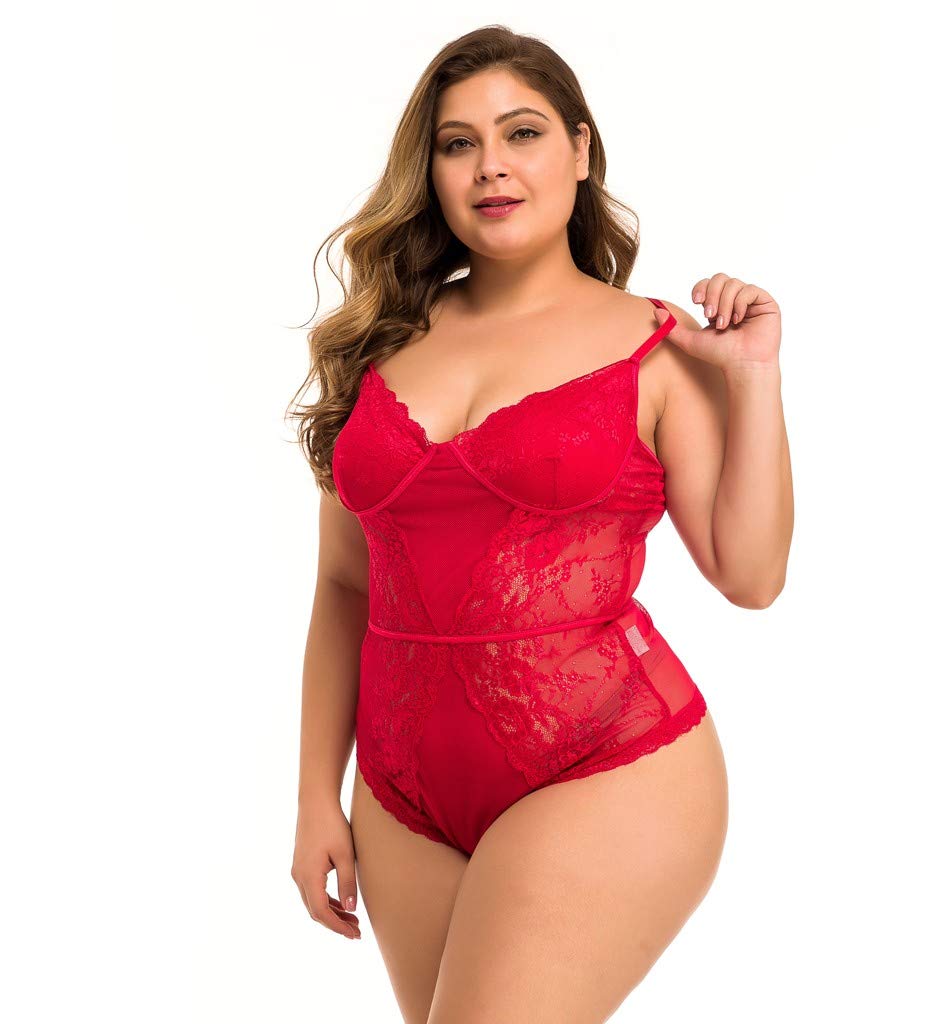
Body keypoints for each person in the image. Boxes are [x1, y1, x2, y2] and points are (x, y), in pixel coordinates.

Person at [288, 24, 793, 1024]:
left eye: (521, 133)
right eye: (458, 143)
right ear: (431, 172)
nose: (491, 166)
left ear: (580, 150)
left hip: (604, 761)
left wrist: (755, 379)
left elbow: (751, 573)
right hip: (402, 793)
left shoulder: (656, 348)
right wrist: (315, 796)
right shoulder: (378, 344)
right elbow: (345, 584)